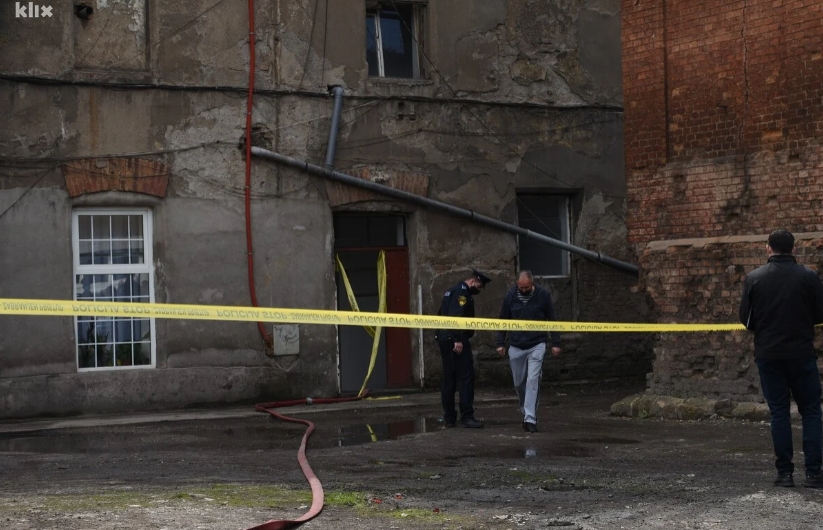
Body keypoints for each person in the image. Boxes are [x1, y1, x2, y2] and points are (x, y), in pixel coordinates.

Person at [739, 229, 823, 488]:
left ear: (768, 248)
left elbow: (746, 320)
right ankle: (814, 474)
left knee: (779, 413)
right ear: (793, 249)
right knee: (811, 412)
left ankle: (785, 473)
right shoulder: (809, 277)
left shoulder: (754, 278)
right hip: (801, 354)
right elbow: (820, 315)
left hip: (769, 355)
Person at [495, 270, 561, 433]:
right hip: (516, 345)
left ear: (532, 283)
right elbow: (503, 319)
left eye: (527, 287)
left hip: (537, 344)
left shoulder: (543, 295)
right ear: (517, 284)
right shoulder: (510, 296)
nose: (523, 290)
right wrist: (500, 342)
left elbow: (552, 319)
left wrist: (556, 342)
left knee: (533, 380)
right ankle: (525, 410)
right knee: (519, 383)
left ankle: (530, 418)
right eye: (521, 287)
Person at [435, 269, 491, 428]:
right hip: (455, 339)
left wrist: (439, 335)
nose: (479, 290)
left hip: (445, 338)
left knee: (449, 379)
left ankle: (449, 418)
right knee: (465, 377)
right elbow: (456, 317)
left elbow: (440, 314)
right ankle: (467, 416)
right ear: (473, 281)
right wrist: (458, 339)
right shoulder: (462, 293)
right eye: (479, 286)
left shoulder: (451, 290)